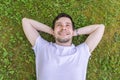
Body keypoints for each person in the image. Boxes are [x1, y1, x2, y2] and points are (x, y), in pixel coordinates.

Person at [22, 13, 105, 80]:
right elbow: (26, 22)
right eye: (59, 25)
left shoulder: (82, 52)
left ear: (72, 30)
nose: (63, 28)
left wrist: (74, 32)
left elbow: (100, 27)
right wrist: (53, 31)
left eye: (68, 25)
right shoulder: (43, 48)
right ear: (53, 30)